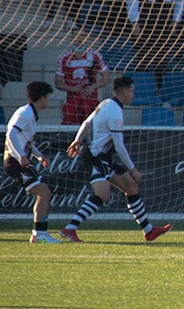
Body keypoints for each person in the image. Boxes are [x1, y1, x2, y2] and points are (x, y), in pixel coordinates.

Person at [60, 76, 172, 243]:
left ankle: (148, 230)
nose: (133, 95)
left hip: (103, 156)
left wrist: (77, 140)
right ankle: (70, 228)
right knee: (102, 195)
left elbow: (86, 123)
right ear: (125, 91)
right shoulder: (115, 112)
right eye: (132, 91)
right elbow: (119, 146)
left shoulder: (105, 103)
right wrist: (133, 169)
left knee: (131, 187)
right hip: (96, 157)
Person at [3, 81, 59, 244]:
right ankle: (39, 233)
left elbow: (27, 141)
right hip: (15, 162)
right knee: (44, 192)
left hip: (20, 161)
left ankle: (37, 233)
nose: (48, 101)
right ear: (42, 98)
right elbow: (11, 133)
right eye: (48, 97)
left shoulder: (31, 114)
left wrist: (39, 156)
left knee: (45, 193)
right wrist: (20, 155)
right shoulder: (25, 113)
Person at [55, 26, 111, 125]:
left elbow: (107, 79)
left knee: (91, 129)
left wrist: (93, 86)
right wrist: (72, 89)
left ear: (87, 38)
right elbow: (57, 83)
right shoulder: (64, 58)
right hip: (72, 103)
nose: (79, 39)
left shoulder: (95, 55)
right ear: (71, 38)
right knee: (69, 131)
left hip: (90, 101)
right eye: (76, 35)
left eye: (82, 36)